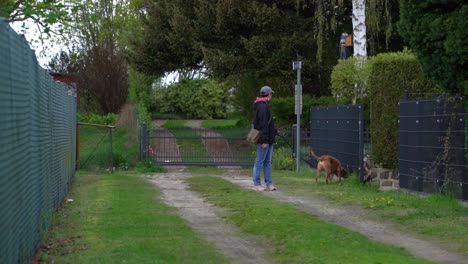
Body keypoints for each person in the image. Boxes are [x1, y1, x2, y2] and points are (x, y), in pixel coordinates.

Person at [252, 86, 277, 191]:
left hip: (268, 138)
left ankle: (269, 184)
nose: (271, 96)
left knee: (267, 162)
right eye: (271, 94)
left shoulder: (263, 105)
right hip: (264, 139)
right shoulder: (262, 107)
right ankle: (257, 184)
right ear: (268, 94)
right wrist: (265, 140)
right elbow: (263, 125)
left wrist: (275, 131)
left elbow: (268, 123)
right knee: (259, 162)